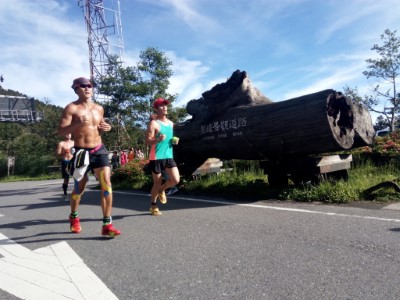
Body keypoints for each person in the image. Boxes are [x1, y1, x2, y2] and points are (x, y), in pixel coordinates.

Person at [57, 76, 121, 237]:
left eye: (90, 85)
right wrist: (77, 124)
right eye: (83, 86)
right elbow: (61, 131)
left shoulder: (99, 108)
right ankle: (74, 217)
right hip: (81, 153)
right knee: (79, 190)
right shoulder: (71, 108)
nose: (87, 88)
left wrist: (107, 127)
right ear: (76, 89)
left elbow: (100, 127)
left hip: (99, 150)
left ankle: (107, 224)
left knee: (107, 185)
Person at [145, 97, 180, 216]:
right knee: (157, 182)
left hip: (169, 156)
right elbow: (147, 141)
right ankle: (153, 206)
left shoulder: (170, 123)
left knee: (176, 180)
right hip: (156, 158)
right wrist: (157, 139)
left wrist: (174, 141)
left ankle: (162, 189)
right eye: (161, 105)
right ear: (156, 108)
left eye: (165, 105)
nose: (164, 107)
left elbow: (169, 139)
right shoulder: (153, 124)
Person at [56, 133, 74, 200]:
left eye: (69, 133)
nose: (68, 135)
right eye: (66, 133)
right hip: (65, 162)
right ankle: (65, 194)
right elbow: (58, 153)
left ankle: (76, 194)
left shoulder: (74, 143)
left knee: (77, 178)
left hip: (73, 161)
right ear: (64, 135)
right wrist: (65, 152)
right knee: (66, 179)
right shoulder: (61, 143)